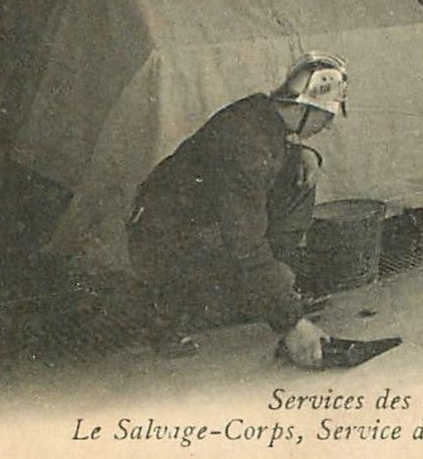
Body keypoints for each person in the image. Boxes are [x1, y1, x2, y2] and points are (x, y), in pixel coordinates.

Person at [126, 53, 348, 367]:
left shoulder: (261, 113)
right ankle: (164, 314)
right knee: (249, 276)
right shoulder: (246, 149)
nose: (326, 127)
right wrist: (291, 323)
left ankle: (274, 288)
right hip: (163, 240)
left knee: (296, 176)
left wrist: (304, 153)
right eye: (325, 117)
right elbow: (244, 243)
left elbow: (267, 150)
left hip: (193, 219)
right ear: (302, 108)